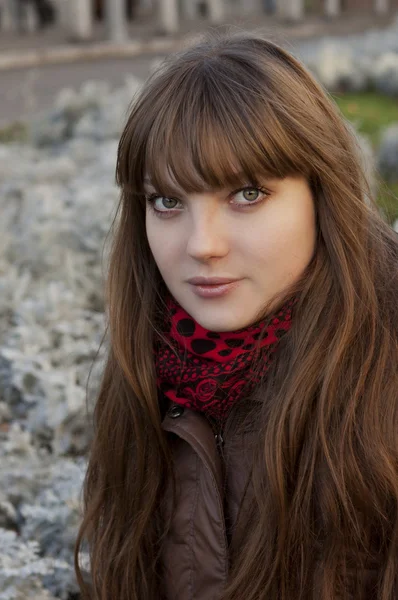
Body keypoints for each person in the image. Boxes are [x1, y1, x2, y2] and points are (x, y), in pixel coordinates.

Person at [74, 32, 398, 600]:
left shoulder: (384, 375)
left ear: (322, 192)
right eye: (167, 202)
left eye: (247, 194)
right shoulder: (149, 370)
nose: (203, 244)